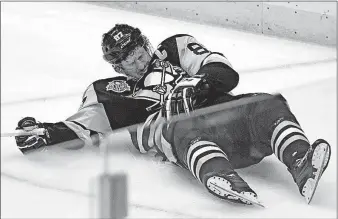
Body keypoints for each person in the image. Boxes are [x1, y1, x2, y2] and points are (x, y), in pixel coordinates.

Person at [14, 24, 331, 206]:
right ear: (116, 67)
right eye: (129, 62)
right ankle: (219, 176)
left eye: (140, 54)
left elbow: (224, 72)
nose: (138, 64)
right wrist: (43, 131)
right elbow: (81, 127)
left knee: (265, 103)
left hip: (226, 121)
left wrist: (199, 85)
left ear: (146, 45)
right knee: (178, 125)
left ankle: (301, 162)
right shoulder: (109, 91)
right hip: (179, 136)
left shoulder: (176, 49)